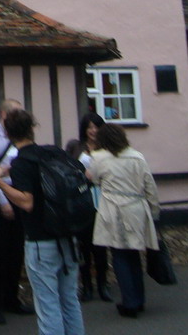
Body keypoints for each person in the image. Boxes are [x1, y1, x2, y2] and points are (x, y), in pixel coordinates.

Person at [0, 108, 86, 335]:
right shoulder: (52, 154)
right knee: (69, 300)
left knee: (48, 305)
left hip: (40, 241)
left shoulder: (22, 163)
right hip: (66, 235)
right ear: (32, 128)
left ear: (7, 133)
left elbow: (26, 202)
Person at [90, 124, 160, 319]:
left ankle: (129, 302)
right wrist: (154, 211)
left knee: (119, 255)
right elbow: (150, 187)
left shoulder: (99, 158)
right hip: (136, 207)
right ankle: (139, 299)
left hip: (113, 207)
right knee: (134, 255)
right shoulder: (137, 157)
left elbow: (94, 180)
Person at [0, 99, 32, 320]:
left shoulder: (24, 137)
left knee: (16, 253)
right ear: (3, 114)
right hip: (1, 198)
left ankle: (12, 298)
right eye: (15, 112)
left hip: (21, 197)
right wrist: (2, 201)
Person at [64, 112, 111, 302]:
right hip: (81, 201)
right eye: (90, 127)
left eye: (96, 127)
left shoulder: (107, 148)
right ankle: (87, 286)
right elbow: (66, 169)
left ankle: (103, 284)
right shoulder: (76, 146)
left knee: (100, 246)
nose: (93, 131)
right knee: (83, 247)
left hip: (102, 200)